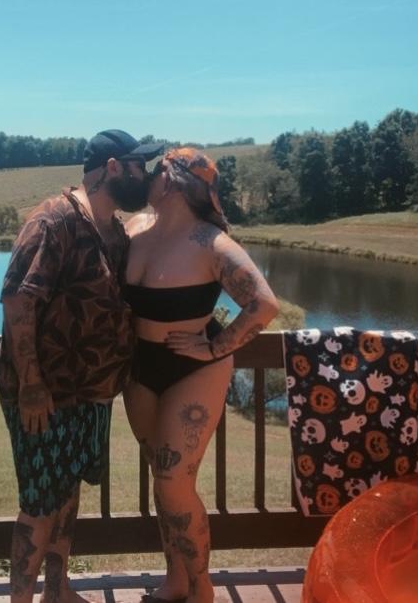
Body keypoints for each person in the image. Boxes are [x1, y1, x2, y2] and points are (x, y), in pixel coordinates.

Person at [0, 129, 162, 603]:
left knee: (68, 493)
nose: (145, 175)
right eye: (138, 166)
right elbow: (18, 301)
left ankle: (58, 591)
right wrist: (31, 384)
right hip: (45, 396)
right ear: (113, 168)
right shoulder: (55, 220)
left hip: (91, 393)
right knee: (40, 504)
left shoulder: (113, 231)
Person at [123, 148, 280, 603]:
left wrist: (214, 347)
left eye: (156, 171)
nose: (148, 178)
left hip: (194, 371)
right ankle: (175, 580)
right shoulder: (134, 229)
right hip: (141, 367)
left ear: (172, 181)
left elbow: (264, 304)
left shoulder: (211, 243)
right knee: (162, 477)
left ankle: (201, 587)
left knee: (174, 479)